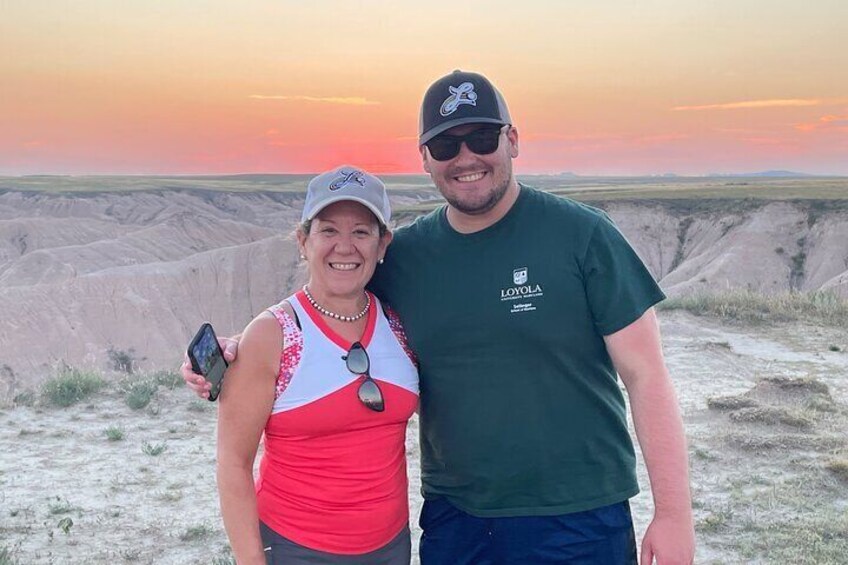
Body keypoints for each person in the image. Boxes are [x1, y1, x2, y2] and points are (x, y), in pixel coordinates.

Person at [186, 70, 695, 564]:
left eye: (481, 137)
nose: (466, 157)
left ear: (512, 140)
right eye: (447, 146)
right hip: (456, 518)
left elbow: (646, 375)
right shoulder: (405, 257)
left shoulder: (584, 236)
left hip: (577, 513)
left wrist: (674, 515)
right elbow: (335, 300)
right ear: (425, 158)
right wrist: (243, 349)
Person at [209, 165, 419, 564]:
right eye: (328, 230)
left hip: (391, 548)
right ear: (303, 241)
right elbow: (233, 463)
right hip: (296, 549)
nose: (345, 246)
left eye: (361, 231)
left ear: (383, 244)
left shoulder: (400, 325)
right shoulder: (272, 335)